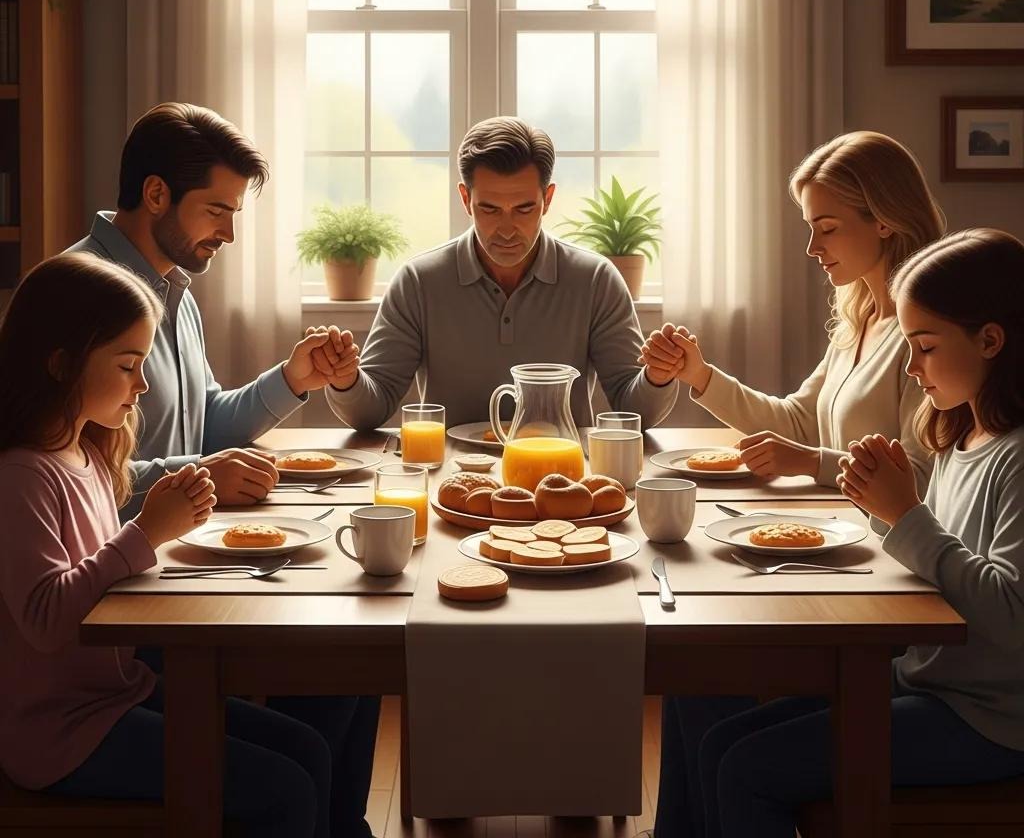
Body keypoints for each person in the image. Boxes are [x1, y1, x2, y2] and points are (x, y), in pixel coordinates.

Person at [660, 229, 1024, 838]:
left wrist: (905, 516)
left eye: (925, 347)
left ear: (990, 340)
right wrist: (882, 505)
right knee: (717, 729)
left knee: (747, 768)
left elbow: (1010, 616)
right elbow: (934, 561)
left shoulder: (1014, 459)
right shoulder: (964, 439)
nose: (912, 367)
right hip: (927, 680)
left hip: (989, 719)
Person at [0, 253, 330, 836]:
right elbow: (49, 618)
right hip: (61, 733)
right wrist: (148, 531)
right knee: (285, 790)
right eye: (128, 366)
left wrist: (166, 533)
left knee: (310, 749)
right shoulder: (23, 475)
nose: (144, 384)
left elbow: (111, 576)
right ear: (60, 365)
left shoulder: (87, 454)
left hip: (118, 694)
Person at [68, 102, 345, 511]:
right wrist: (196, 476)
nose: (229, 234)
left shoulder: (176, 290)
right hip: (107, 559)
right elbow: (71, 474)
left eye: (232, 213)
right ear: (157, 194)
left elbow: (203, 424)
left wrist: (292, 380)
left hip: (174, 540)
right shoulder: (73, 294)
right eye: (216, 211)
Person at [322, 115, 680, 429]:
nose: (507, 229)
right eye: (490, 209)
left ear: (548, 199)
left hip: (561, 476)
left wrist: (657, 376)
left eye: (524, 209)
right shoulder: (418, 281)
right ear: (466, 199)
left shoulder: (596, 280)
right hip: (449, 478)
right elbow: (371, 411)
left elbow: (633, 411)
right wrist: (346, 380)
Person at [640, 130, 944, 491]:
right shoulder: (861, 323)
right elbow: (797, 421)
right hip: (841, 525)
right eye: (811, 228)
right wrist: (699, 374)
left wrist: (811, 462)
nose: (813, 247)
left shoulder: (926, 335)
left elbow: (922, 479)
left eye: (827, 228)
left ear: (883, 221)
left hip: (883, 541)